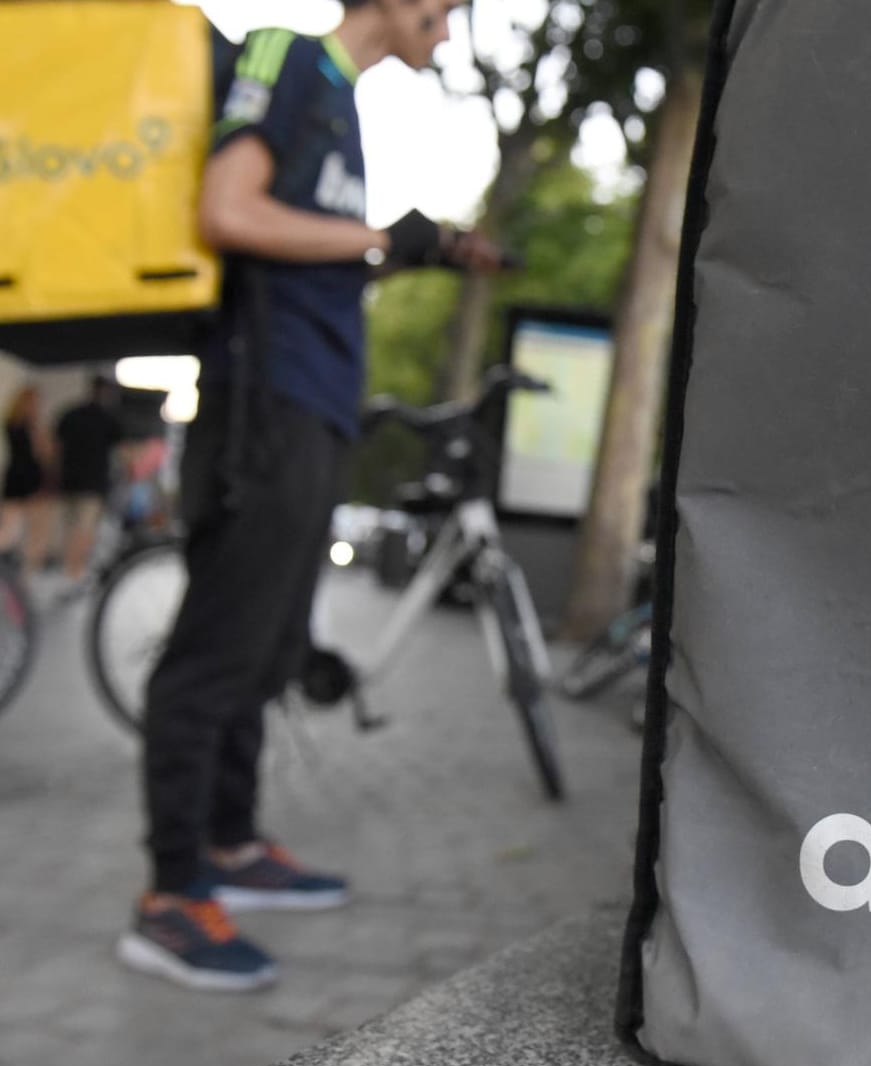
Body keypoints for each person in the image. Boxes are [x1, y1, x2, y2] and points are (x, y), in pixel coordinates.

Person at [117, 0, 502, 993]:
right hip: (264, 402)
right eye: (445, 13)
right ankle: (170, 896)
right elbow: (229, 211)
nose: (447, 35)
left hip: (317, 403)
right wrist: (377, 234)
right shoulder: (285, 57)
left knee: (272, 645)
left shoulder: (342, 103)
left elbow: (312, 259)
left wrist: (413, 249)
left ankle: (232, 843)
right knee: (215, 652)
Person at [53, 374, 127, 584]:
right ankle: (75, 572)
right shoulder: (109, 419)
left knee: (70, 528)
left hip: (69, 481)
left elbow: (56, 448)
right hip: (93, 483)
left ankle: (68, 569)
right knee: (84, 529)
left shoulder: (71, 414)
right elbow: (121, 453)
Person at [0, 384, 55, 576]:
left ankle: (28, 569)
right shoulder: (24, 426)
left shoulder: (15, 423)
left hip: (23, 479)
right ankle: (29, 569)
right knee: (22, 529)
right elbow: (42, 453)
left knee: (24, 529)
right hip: (26, 480)